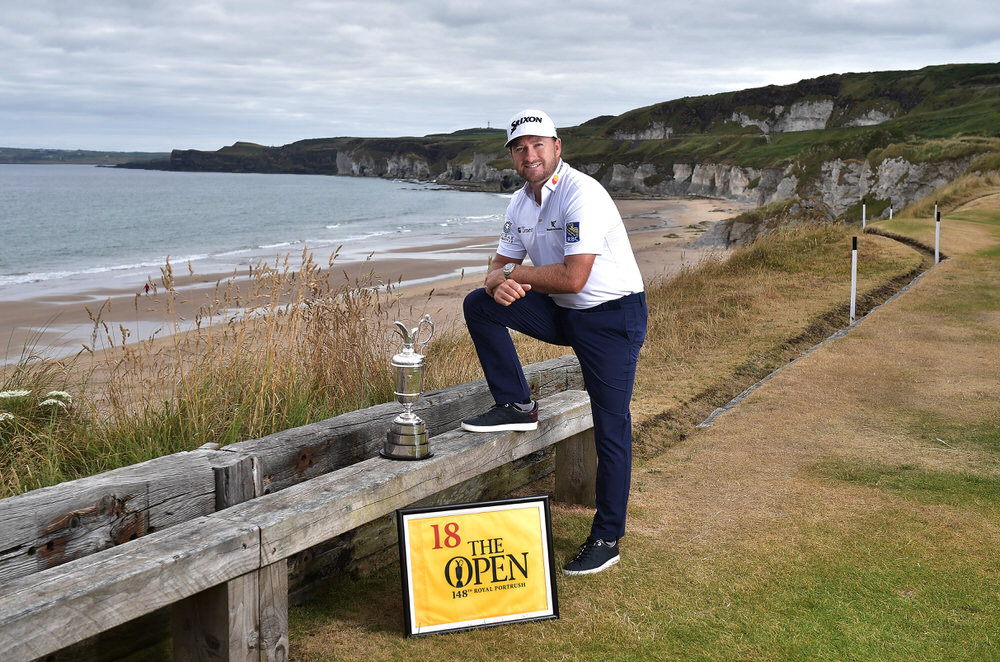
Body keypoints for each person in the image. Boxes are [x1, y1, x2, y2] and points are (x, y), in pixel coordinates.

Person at [461, 109, 648, 575]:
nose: (530, 154)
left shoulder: (583, 193)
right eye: (520, 148)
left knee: (610, 425)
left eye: (538, 144)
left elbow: (573, 277)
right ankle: (516, 404)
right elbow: (496, 266)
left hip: (610, 318)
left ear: (557, 147)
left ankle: (607, 536)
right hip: (566, 314)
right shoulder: (519, 203)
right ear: (512, 156)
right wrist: (496, 283)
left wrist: (510, 274)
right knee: (479, 304)